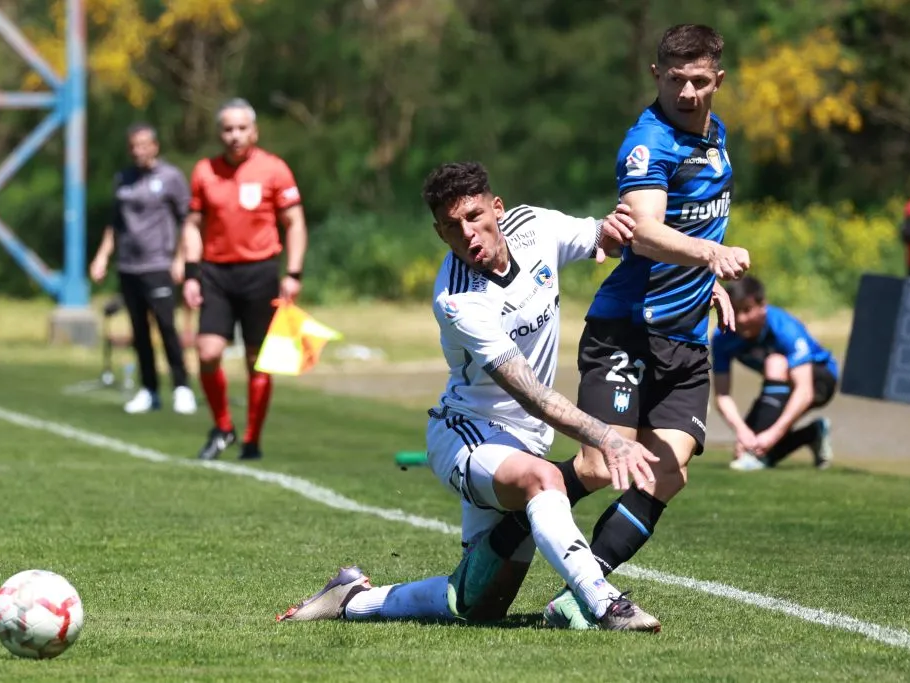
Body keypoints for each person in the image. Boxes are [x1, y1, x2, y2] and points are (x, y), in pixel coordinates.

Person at [438, 24, 752, 630]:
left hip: (686, 334)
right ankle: (502, 543)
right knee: (595, 466)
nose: (688, 94)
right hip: (628, 330)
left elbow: (698, 224)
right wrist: (711, 257)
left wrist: (705, 278)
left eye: (700, 82)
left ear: (718, 79)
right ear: (656, 75)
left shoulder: (717, 137)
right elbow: (649, 231)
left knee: (669, 472)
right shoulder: (647, 145)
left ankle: (580, 593)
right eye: (677, 81)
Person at [276, 162, 663, 631]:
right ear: (441, 234)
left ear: (496, 208)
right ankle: (605, 603)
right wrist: (607, 436)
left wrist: (690, 282)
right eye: (453, 227)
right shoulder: (458, 300)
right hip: (467, 435)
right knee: (543, 480)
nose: (469, 234)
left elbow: (605, 235)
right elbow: (531, 394)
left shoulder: (535, 227)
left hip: (526, 442)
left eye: (475, 216)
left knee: (477, 603)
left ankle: (353, 598)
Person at [181, 98, 308, 461]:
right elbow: (192, 225)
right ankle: (223, 427)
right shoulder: (205, 171)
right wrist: (191, 276)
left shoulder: (274, 169)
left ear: (254, 131)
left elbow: (295, 222)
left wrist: (293, 273)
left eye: (241, 128)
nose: (234, 135)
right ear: (219, 132)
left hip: (260, 272)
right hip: (216, 273)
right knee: (207, 352)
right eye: (227, 128)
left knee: (257, 359)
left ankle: (252, 440)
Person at [89, 123, 197, 416]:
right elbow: (115, 223)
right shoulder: (123, 179)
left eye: (143, 145)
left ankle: (181, 387)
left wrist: (180, 259)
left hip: (158, 264)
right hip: (128, 265)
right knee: (139, 331)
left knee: (166, 326)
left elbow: (187, 221)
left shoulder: (171, 177)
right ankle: (149, 389)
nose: (138, 151)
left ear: (155, 146)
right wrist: (102, 257)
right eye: (133, 146)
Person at [711, 275, 836, 471]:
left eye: (746, 310)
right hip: (782, 385)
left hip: (820, 380)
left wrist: (772, 435)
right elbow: (722, 395)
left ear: (763, 306)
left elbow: (805, 392)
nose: (741, 319)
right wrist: (743, 432)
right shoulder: (722, 337)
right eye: (735, 311)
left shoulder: (785, 328)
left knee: (775, 363)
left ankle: (759, 454)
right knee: (745, 448)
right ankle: (812, 433)